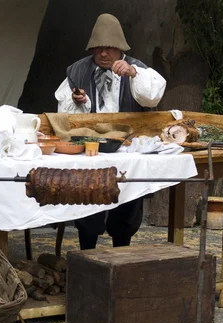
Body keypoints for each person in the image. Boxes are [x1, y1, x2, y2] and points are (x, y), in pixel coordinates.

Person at [54, 13, 167, 250]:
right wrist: (79, 101)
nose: (103, 54)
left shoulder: (137, 69)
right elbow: (63, 111)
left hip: (128, 149)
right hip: (92, 149)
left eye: (109, 48)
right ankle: (88, 251)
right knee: (88, 198)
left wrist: (133, 74)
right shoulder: (77, 71)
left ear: (120, 48)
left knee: (127, 201)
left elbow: (151, 97)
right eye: (98, 48)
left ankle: (121, 251)